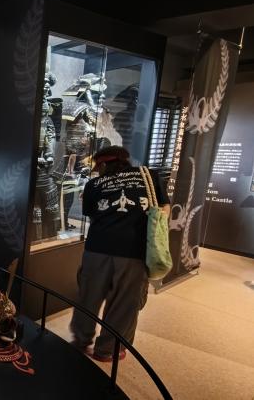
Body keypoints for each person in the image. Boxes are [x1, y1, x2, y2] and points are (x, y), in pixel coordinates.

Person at [69, 146, 170, 362]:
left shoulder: (94, 184)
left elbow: (91, 214)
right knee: (124, 303)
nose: (97, 171)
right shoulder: (149, 176)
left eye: (98, 167)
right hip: (133, 251)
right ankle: (108, 350)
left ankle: (80, 340)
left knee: (88, 296)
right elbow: (164, 209)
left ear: (104, 164)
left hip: (97, 248)